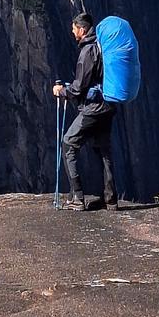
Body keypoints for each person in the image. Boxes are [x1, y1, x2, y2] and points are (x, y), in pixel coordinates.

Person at [52, 13, 117, 211]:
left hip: (93, 109)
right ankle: (110, 200)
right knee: (102, 150)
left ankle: (77, 198)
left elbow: (79, 87)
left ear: (81, 29)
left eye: (74, 29)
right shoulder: (101, 47)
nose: (72, 33)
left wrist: (62, 91)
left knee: (68, 143)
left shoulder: (87, 52)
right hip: (108, 106)